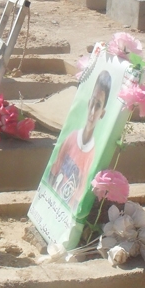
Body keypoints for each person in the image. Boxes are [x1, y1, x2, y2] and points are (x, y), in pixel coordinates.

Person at [46, 70, 112, 209]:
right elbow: (52, 173)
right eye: (92, 103)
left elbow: (79, 197)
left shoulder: (93, 155)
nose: (93, 112)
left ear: (102, 113)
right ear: (88, 103)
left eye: (98, 105)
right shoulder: (71, 138)